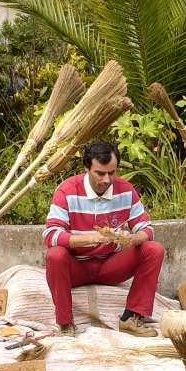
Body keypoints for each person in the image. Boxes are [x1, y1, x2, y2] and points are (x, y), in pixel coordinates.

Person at [43, 139, 165, 337]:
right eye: (100, 173)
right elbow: (51, 235)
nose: (107, 179)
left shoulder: (126, 190)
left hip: (110, 266)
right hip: (76, 268)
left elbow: (146, 228)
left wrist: (134, 238)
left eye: (112, 172)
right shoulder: (66, 190)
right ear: (86, 168)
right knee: (55, 255)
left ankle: (131, 318)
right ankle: (65, 325)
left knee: (154, 249)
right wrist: (93, 238)